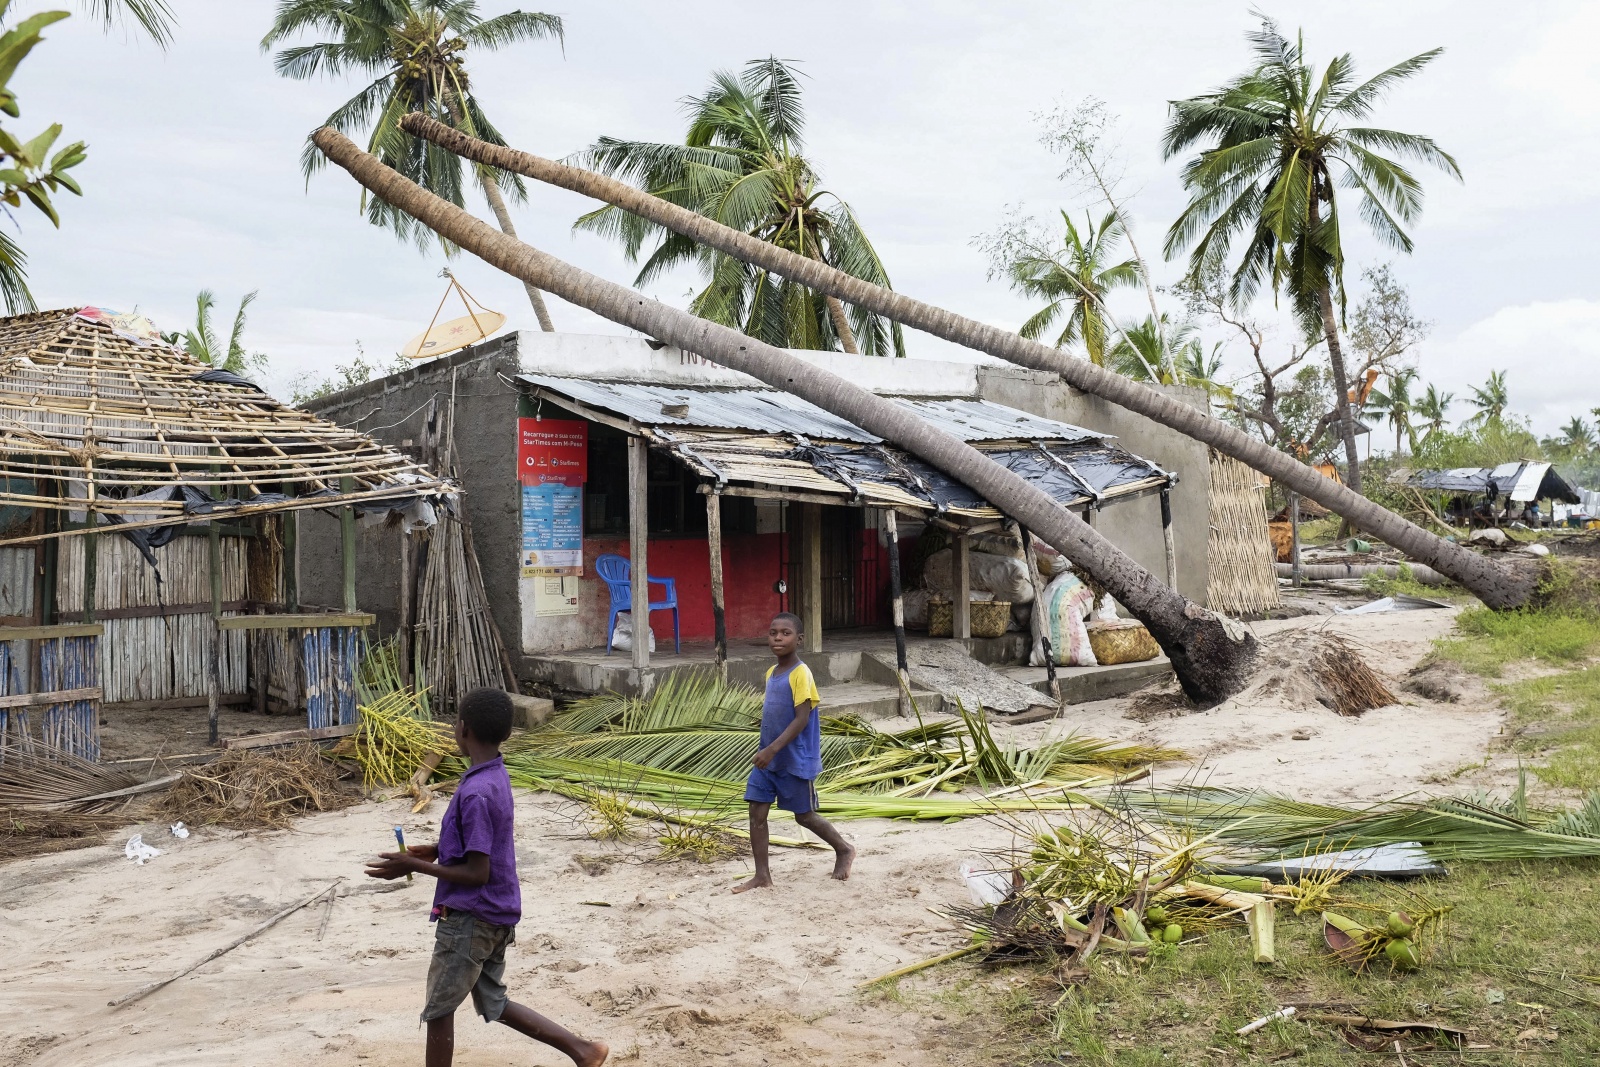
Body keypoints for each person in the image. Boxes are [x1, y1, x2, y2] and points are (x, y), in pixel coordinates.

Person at [366, 687, 608, 1067]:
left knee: (439, 1010)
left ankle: (584, 1050)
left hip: (471, 919)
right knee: (494, 1001)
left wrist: (413, 866)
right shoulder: (492, 774)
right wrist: (437, 849)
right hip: (496, 911)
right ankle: (584, 1050)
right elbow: (483, 842)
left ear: (462, 729)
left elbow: (478, 872)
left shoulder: (477, 791)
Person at [732, 612, 855, 893]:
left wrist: (772, 749)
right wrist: (767, 750)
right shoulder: (770, 674)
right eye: (773, 632)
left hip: (793, 760)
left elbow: (801, 719)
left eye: (785, 633)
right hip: (767, 761)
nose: (778, 637)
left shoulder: (801, 673)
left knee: (804, 816)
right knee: (756, 813)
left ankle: (844, 849)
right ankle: (762, 875)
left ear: (799, 639)